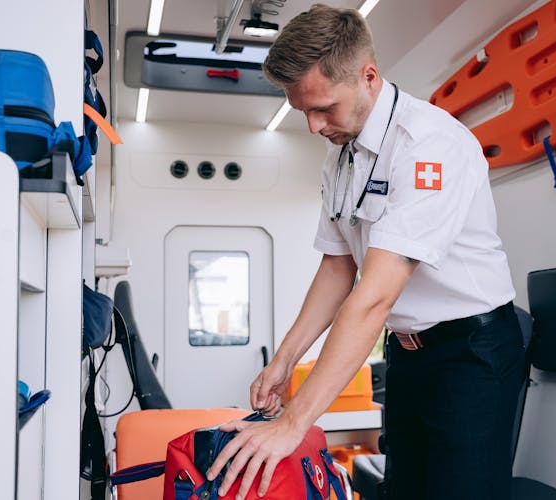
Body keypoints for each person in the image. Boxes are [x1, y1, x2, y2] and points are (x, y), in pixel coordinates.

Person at [206, 4, 525, 499]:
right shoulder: (342, 155)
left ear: (368, 77)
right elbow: (338, 266)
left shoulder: (428, 145)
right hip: (409, 353)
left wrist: (293, 424)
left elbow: (373, 297)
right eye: (302, 111)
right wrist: (285, 361)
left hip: (471, 353)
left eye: (323, 108)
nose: (313, 127)